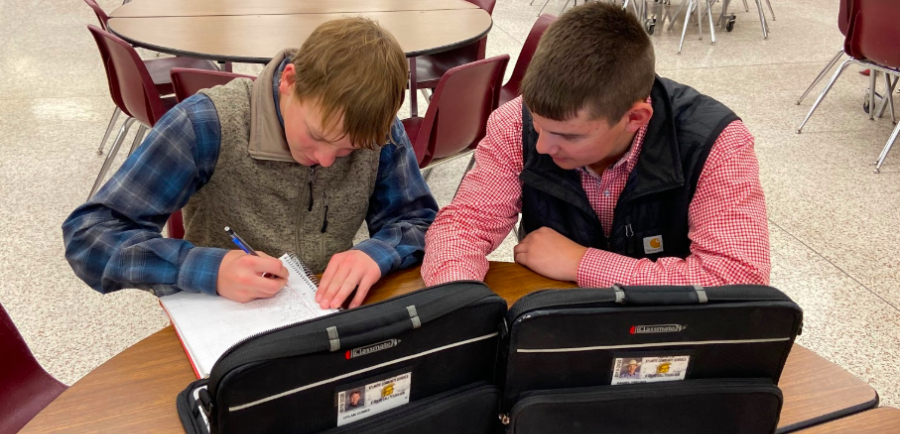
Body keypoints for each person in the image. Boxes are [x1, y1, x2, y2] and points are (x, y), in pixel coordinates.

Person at [63, 18, 437, 309]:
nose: (326, 161)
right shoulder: (205, 125)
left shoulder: (378, 131)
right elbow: (90, 236)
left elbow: (418, 221)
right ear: (290, 81)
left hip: (321, 315)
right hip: (225, 321)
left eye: (347, 150)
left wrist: (374, 253)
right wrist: (210, 269)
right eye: (318, 137)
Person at [421, 2, 770, 288]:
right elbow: (464, 227)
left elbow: (738, 279)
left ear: (636, 118)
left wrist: (582, 263)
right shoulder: (515, 122)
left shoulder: (715, 142)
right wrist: (458, 301)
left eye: (570, 135)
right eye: (538, 125)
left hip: (666, 332)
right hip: (556, 321)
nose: (542, 147)